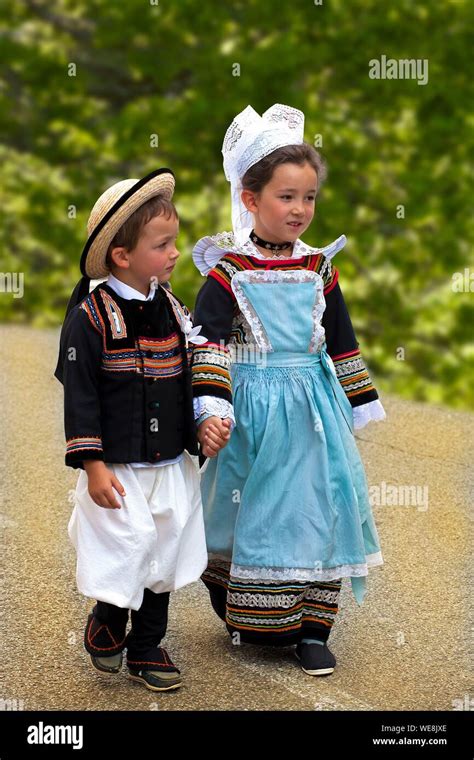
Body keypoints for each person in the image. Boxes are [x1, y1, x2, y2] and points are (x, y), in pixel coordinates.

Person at [191, 104, 387, 677]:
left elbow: (340, 336)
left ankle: (312, 627)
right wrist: (211, 405)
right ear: (250, 199)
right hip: (250, 407)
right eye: (286, 197)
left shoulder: (318, 268)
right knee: (243, 505)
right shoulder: (228, 271)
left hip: (310, 408)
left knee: (315, 504)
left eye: (309, 197)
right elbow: (208, 344)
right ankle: (244, 610)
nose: (301, 209)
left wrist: (358, 398)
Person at [55, 168, 209, 692]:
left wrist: (204, 423)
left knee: (164, 554)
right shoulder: (91, 318)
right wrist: (92, 464)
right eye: (162, 245)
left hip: (167, 463)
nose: (173, 254)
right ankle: (107, 618)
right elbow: (80, 395)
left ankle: (146, 647)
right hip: (116, 466)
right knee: (128, 546)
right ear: (122, 256)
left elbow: (194, 370)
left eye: (175, 243)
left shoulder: (172, 308)